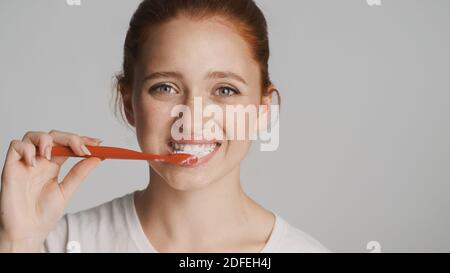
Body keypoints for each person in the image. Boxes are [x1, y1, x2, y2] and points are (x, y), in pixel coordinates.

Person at [0, 0, 329, 253]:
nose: (193, 117)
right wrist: (16, 241)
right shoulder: (54, 243)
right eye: (165, 87)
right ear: (129, 104)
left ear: (262, 110)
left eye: (225, 90)